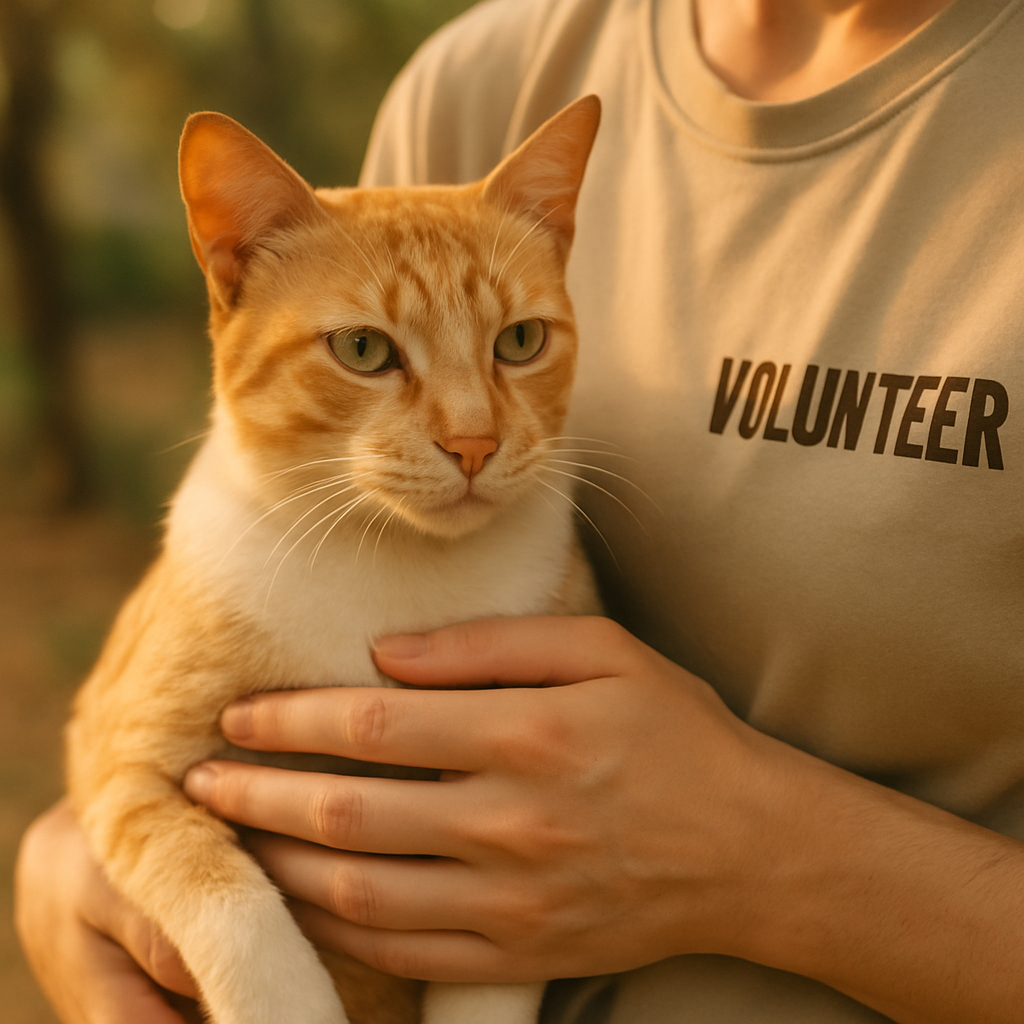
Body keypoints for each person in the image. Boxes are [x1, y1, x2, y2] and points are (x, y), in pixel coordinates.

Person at [15, 0, 1024, 1021]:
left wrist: (763, 862)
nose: (472, 434)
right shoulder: (476, 79)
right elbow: (129, 748)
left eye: (517, 344)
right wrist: (66, 877)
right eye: (368, 350)